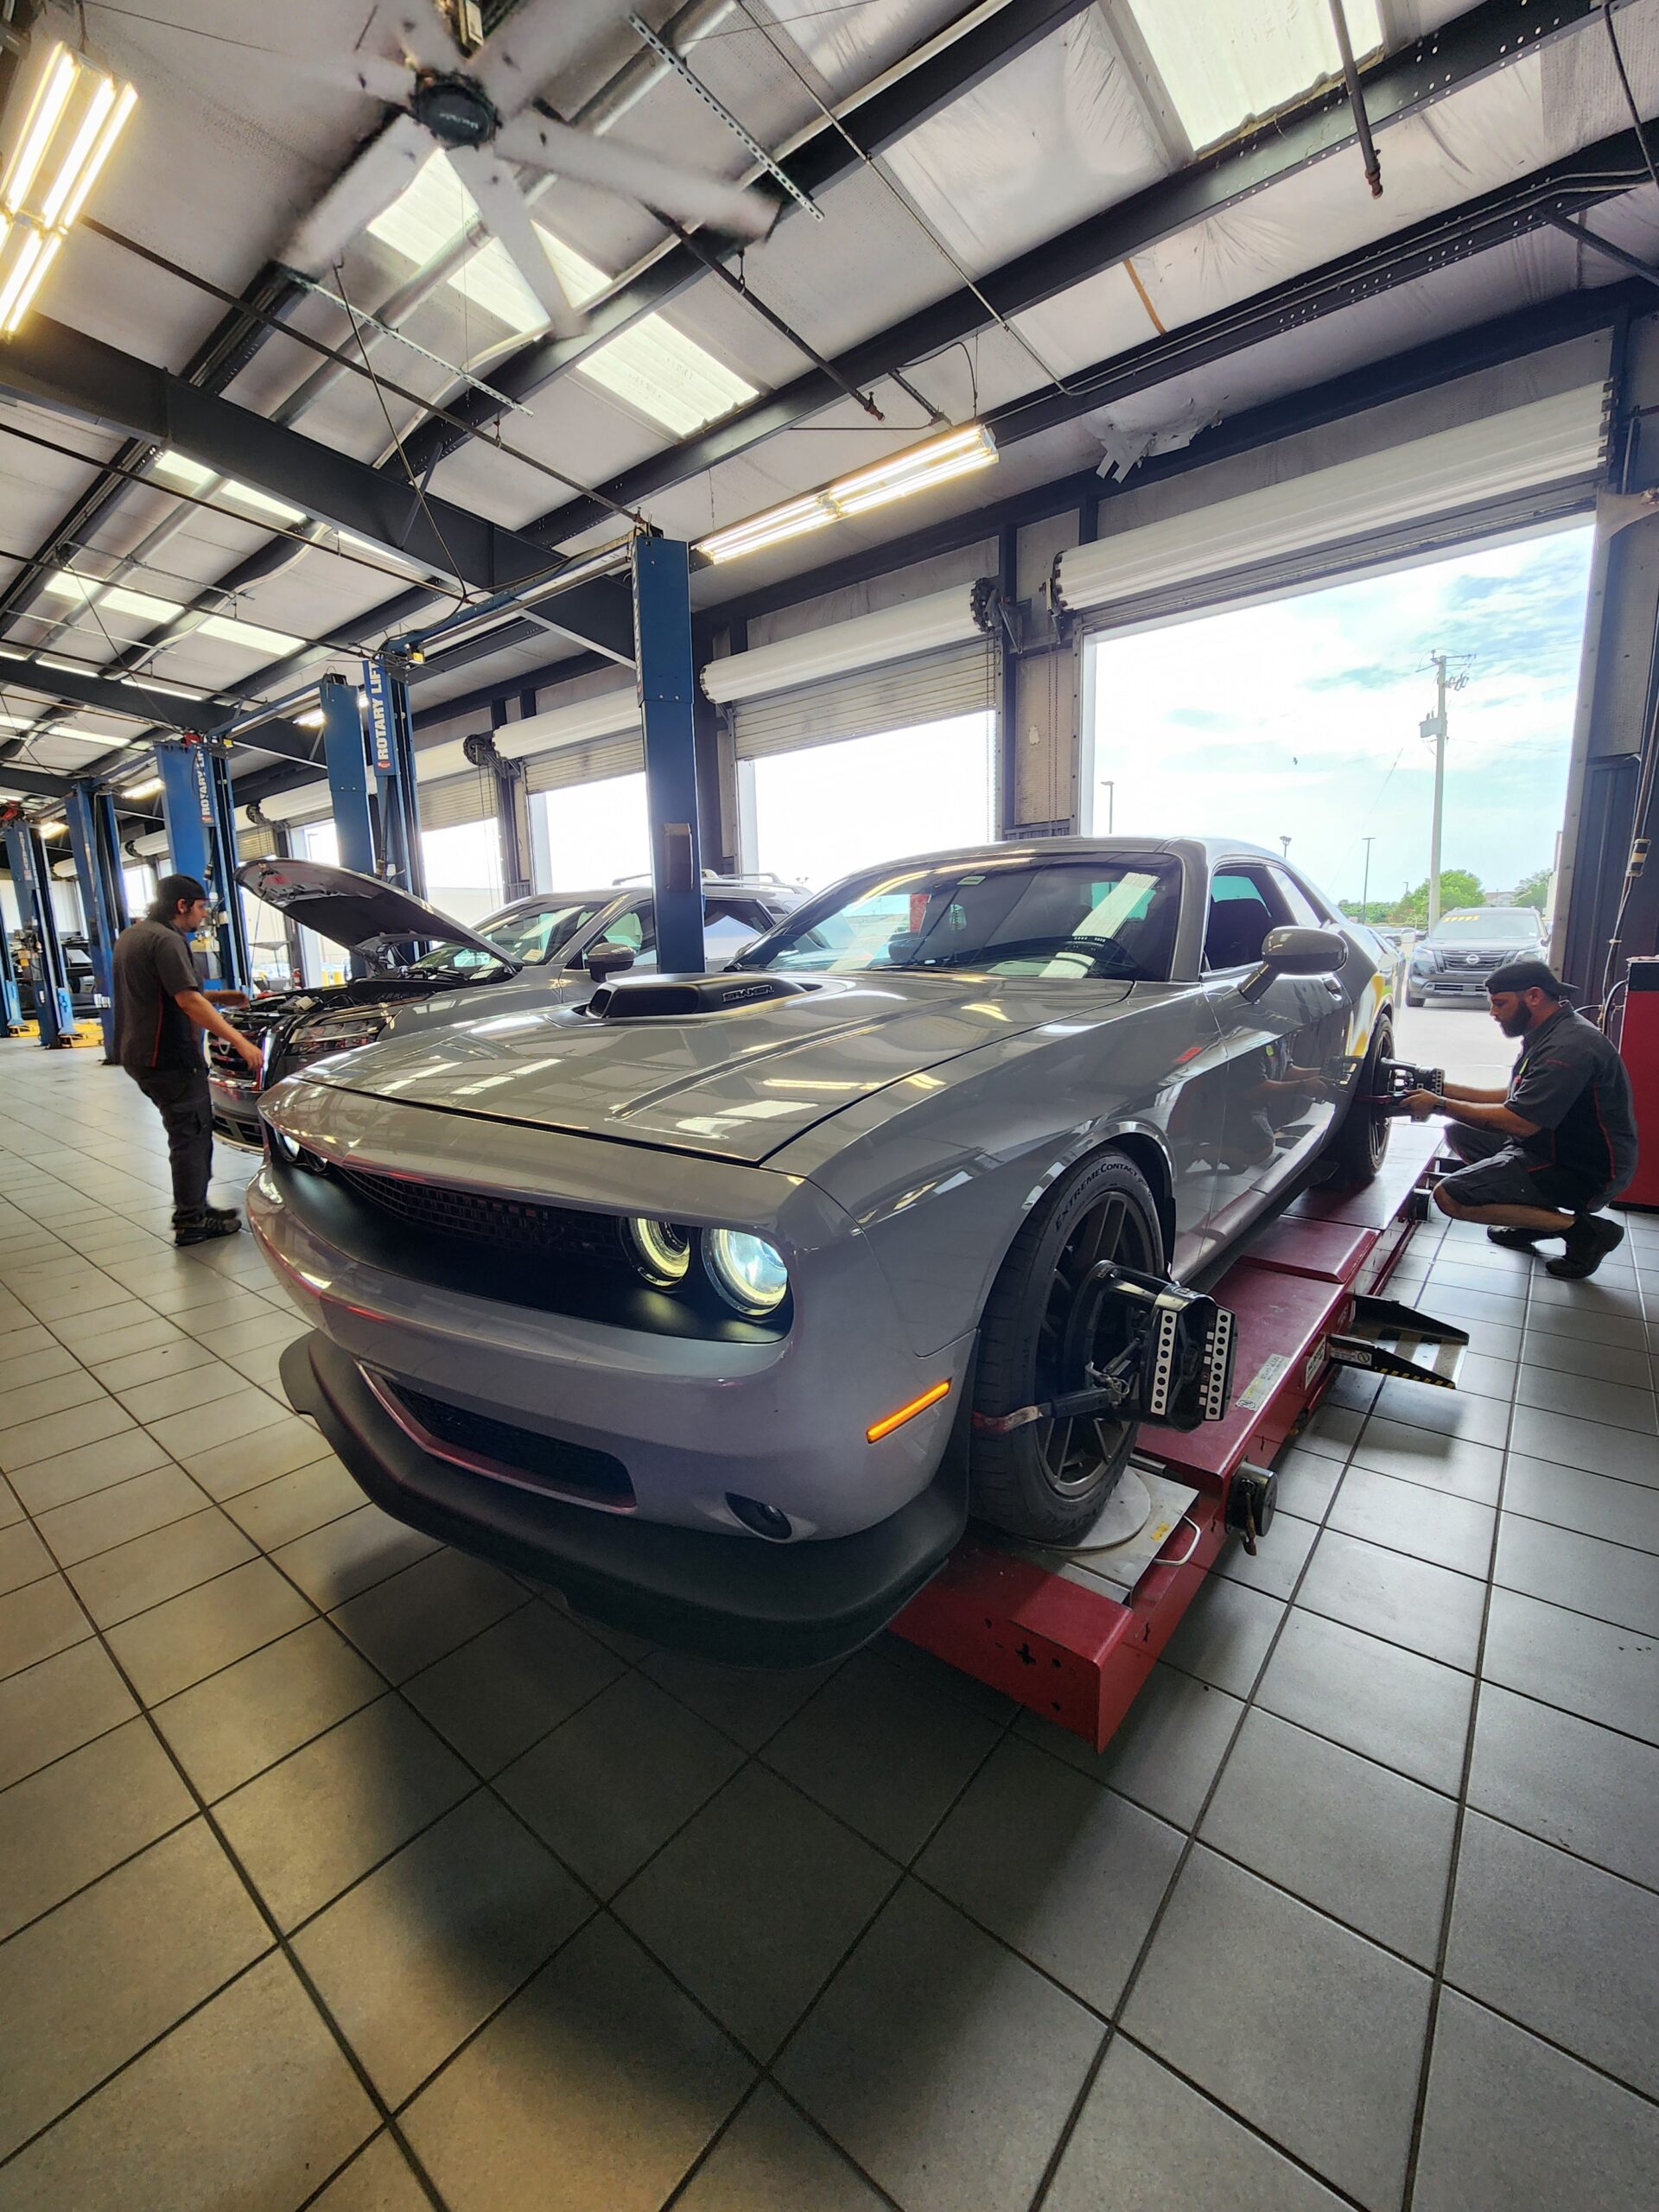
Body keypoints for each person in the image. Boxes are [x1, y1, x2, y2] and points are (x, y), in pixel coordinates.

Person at [1405, 957, 1637, 1281]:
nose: (1493, 1013)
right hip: (1556, 1146)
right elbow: (1514, 1096)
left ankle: (1584, 1232)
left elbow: (1519, 1122)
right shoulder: (1550, 1031)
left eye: (1500, 1003)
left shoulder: (1568, 1048)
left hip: (1585, 1170)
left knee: (1451, 1196)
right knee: (1461, 1132)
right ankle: (1531, 1218)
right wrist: (1440, 1088)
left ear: (1534, 996)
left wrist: (1440, 1105)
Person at [112, 874, 264, 1246]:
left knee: (188, 1132)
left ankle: (197, 1206)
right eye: (200, 908)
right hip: (170, 1058)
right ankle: (192, 1219)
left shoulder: (134, 935)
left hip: (138, 1053)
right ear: (182, 905)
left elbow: (163, 991)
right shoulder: (168, 940)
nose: (202, 916)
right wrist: (240, 1042)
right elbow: (187, 1001)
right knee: (191, 1135)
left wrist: (219, 996)